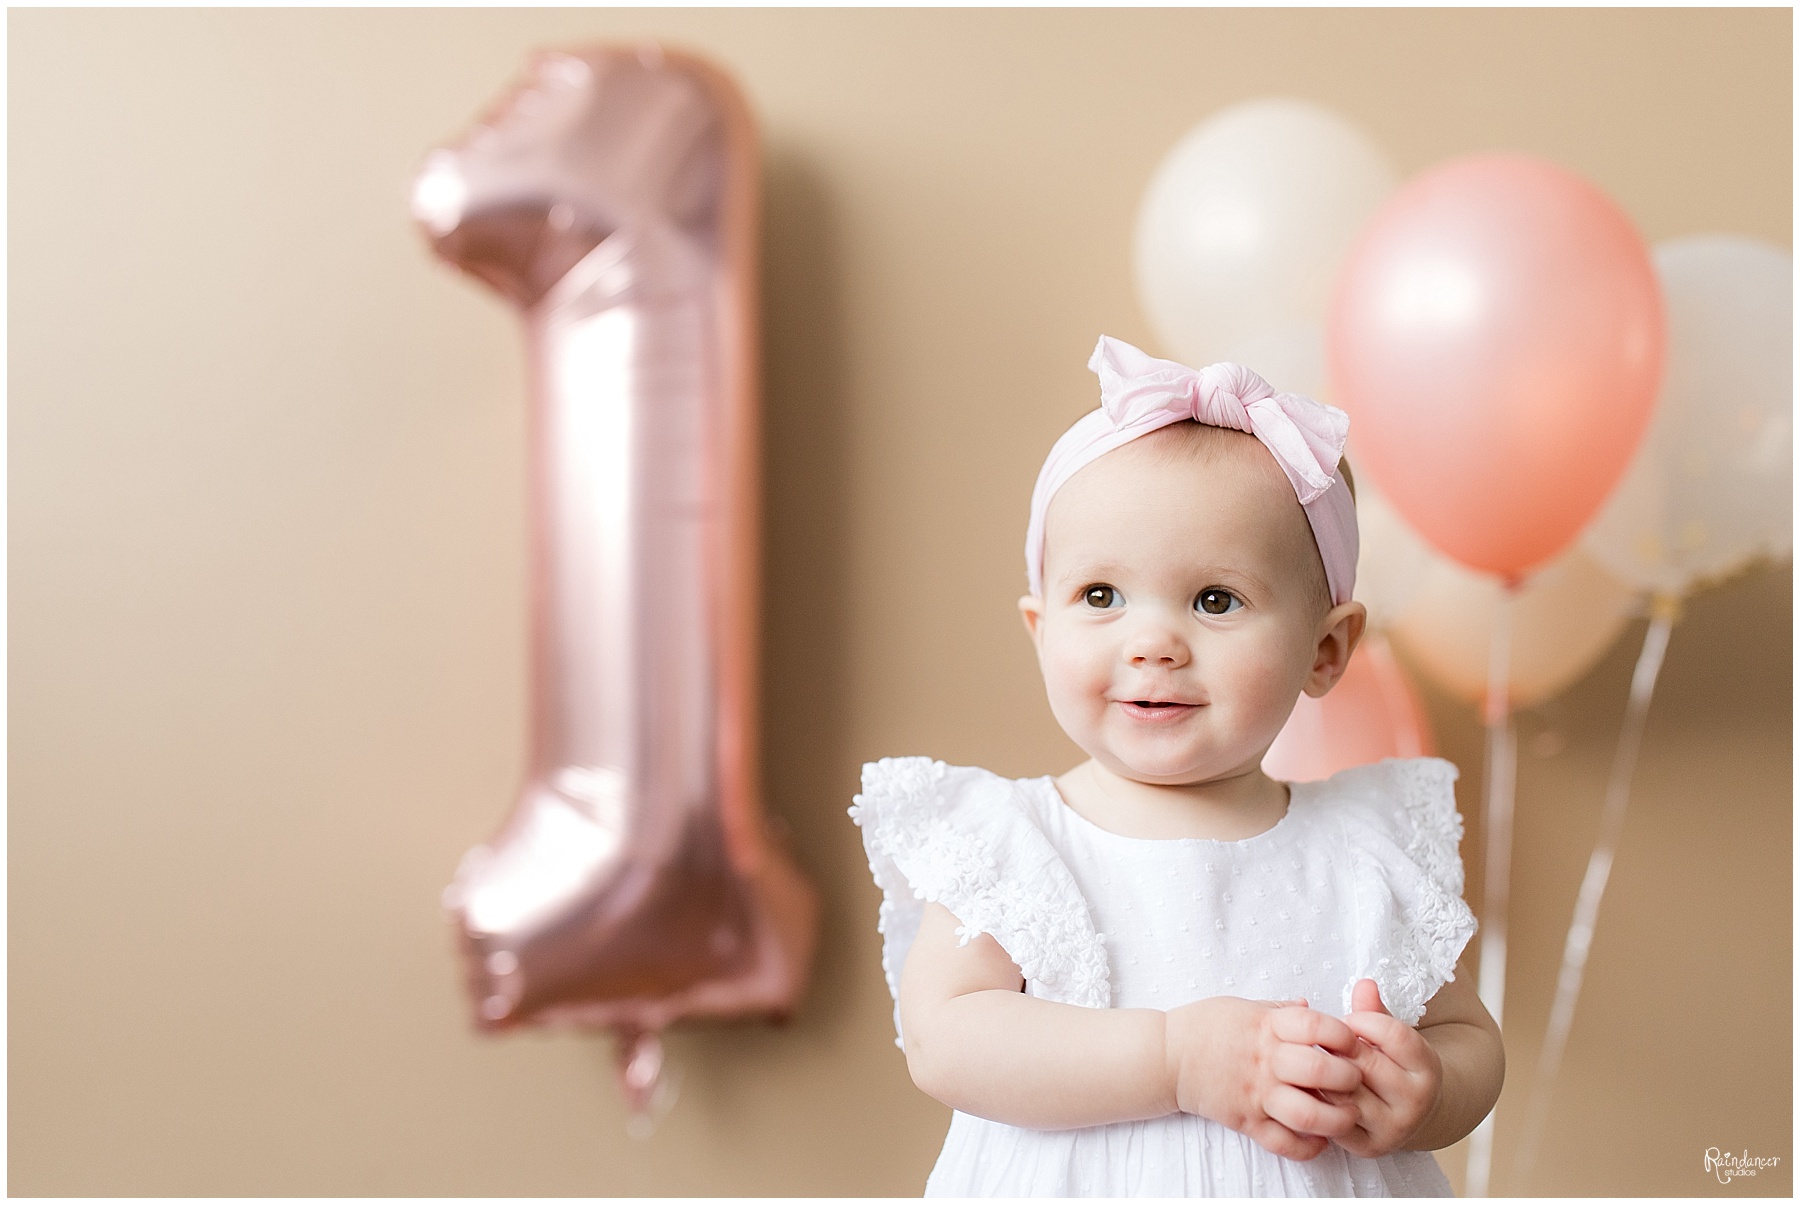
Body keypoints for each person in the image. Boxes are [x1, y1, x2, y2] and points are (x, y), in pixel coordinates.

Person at [850, 336, 1504, 1196]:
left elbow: (1468, 1033)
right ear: (1041, 628)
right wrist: (1176, 1058)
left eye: (1215, 599)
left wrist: (1429, 1090)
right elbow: (944, 1035)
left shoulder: (1369, 845)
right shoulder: (1012, 842)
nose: (1152, 641)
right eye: (1101, 597)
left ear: (1326, 648)